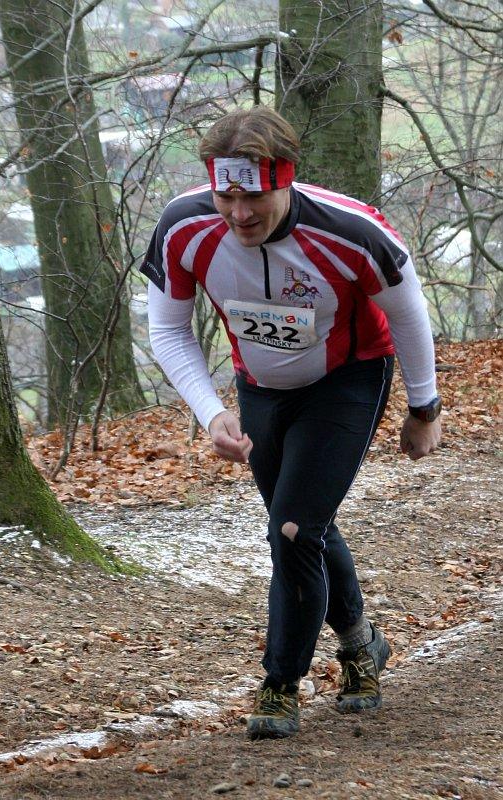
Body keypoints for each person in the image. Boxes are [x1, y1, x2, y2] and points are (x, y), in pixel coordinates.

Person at [140, 106, 442, 740]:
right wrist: (212, 411)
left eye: (254, 197)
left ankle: (281, 682)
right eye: (226, 196)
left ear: (286, 179)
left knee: (293, 529)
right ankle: (361, 644)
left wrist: (424, 409)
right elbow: (167, 330)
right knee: (302, 524)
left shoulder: (352, 231)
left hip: (346, 380)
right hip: (260, 387)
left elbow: (409, 313)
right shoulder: (183, 226)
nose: (239, 214)